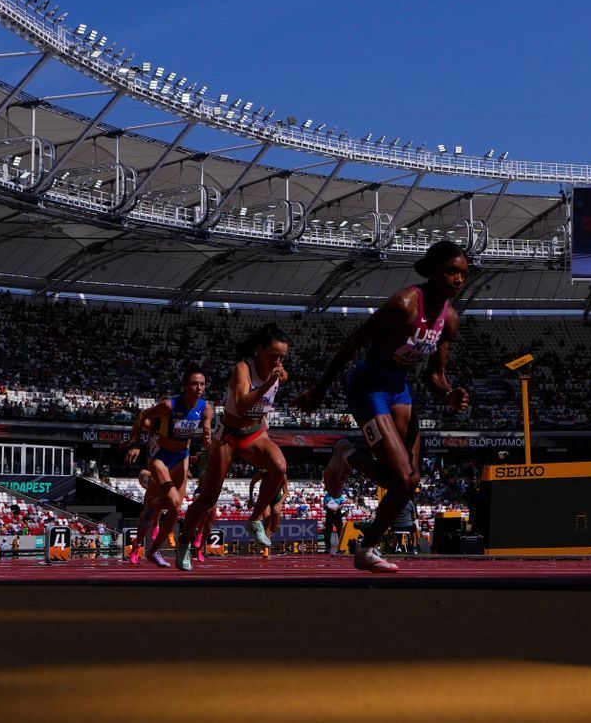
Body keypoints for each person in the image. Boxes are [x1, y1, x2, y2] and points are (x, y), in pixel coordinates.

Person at [297, 239, 472, 575]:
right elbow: (353, 341)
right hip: (369, 388)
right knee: (403, 480)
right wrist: (319, 390)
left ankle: (349, 455)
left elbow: (435, 374)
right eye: (452, 271)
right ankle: (366, 548)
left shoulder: (449, 319)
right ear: (432, 271)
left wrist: (448, 393)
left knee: (411, 479)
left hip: (399, 390)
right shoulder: (404, 305)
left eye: (464, 273)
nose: (459, 279)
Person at [173, 325, 289, 572]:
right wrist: (269, 382)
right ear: (260, 350)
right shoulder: (243, 369)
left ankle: (255, 518)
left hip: (255, 432)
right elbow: (243, 405)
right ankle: (184, 542)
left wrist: (280, 379)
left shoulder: (278, 371)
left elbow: (281, 380)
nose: (277, 362)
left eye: (282, 357)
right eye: (273, 356)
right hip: (229, 435)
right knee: (208, 498)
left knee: (279, 467)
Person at [123, 365, 210, 567]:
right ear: (185, 386)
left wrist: (207, 437)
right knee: (168, 502)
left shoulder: (205, 408)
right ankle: (137, 543)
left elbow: (206, 429)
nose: (199, 388)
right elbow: (143, 415)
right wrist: (135, 445)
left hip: (180, 458)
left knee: (175, 508)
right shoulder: (167, 408)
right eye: (194, 384)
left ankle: (153, 550)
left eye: (202, 384)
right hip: (159, 459)